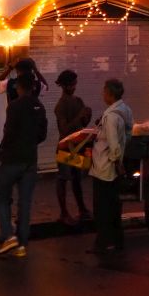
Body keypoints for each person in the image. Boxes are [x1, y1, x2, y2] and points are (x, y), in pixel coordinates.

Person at [0, 71, 47, 260]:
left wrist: (1, 152)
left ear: (19, 87)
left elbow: (9, 133)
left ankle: (8, 236)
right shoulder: (39, 106)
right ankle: (21, 244)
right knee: (24, 203)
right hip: (30, 160)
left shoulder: (14, 106)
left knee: (1, 197)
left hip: (12, 159)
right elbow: (43, 134)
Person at [89, 78, 132, 254]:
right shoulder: (125, 110)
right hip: (113, 166)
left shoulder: (111, 116)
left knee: (102, 208)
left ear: (110, 94)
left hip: (105, 168)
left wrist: (116, 160)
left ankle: (103, 242)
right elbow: (128, 133)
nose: (102, 94)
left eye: (104, 91)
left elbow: (113, 143)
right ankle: (117, 240)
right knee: (115, 206)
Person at [53, 69, 93, 226]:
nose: (75, 86)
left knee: (76, 178)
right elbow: (64, 130)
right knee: (63, 178)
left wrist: (87, 116)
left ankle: (82, 209)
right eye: (73, 83)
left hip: (78, 146)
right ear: (66, 85)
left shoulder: (78, 101)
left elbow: (82, 125)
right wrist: (80, 116)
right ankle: (64, 212)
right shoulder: (60, 106)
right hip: (65, 147)